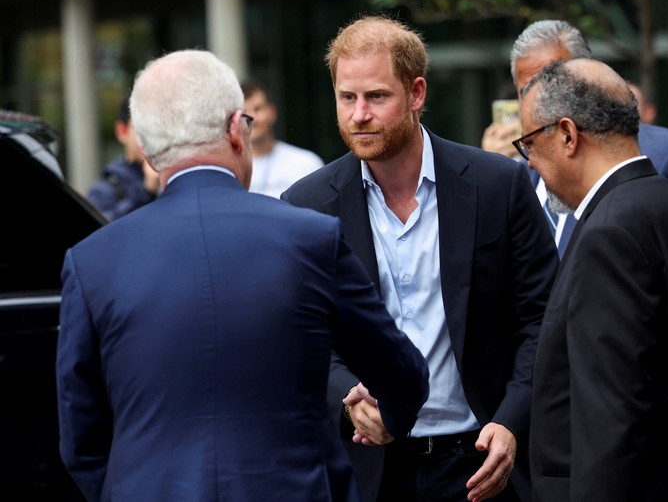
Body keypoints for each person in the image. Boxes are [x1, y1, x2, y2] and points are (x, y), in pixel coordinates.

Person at [56, 49, 429, 502]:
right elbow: (400, 371)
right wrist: (391, 416)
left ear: (151, 156)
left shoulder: (92, 261)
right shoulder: (309, 237)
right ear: (237, 129)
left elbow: (80, 437)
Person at [283, 16, 559, 502]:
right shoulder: (305, 205)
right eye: (347, 98)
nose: (359, 115)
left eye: (376, 97)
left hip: (483, 461)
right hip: (369, 469)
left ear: (416, 93)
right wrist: (348, 396)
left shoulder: (499, 185)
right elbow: (302, 332)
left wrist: (512, 420)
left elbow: (543, 316)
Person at [522, 58, 668, 501]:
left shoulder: (610, 233)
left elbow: (610, 417)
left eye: (529, 144)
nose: (531, 164)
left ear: (567, 134)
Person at [241, 79, 324, 197]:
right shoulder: (227, 169)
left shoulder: (307, 164)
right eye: (244, 112)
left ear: (272, 112)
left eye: (258, 109)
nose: (252, 118)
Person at [86, 93, 159, 220]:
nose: (153, 137)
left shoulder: (174, 175)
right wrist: (147, 191)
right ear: (122, 131)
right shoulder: (105, 190)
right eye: (143, 129)